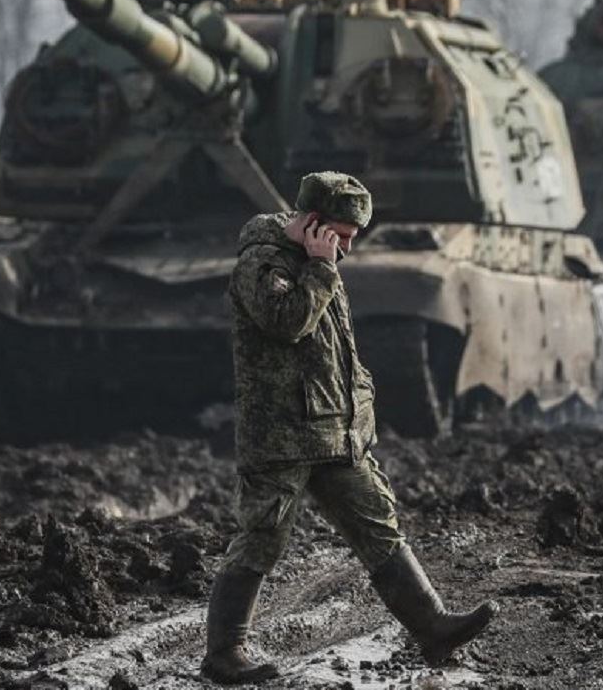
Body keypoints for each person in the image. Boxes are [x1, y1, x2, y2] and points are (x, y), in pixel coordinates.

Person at [201, 171, 497, 684]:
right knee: (263, 537)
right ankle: (224, 653)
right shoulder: (263, 263)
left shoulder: (321, 262)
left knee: (376, 523)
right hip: (283, 435)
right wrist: (318, 268)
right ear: (313, 224)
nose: (347, 248)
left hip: (334, 432)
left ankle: (431, 626)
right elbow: (286, 322)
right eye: (341, 235)